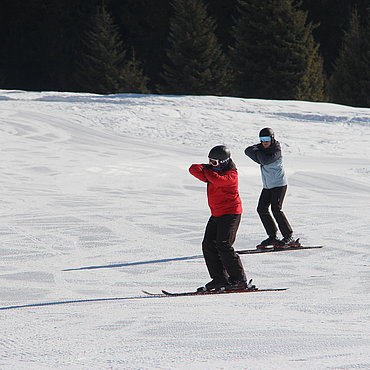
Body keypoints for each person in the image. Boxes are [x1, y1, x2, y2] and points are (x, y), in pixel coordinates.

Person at [189, 145, 252, 291]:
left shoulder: (232, 174)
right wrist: (208, 168)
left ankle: (239, 280)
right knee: (208, 245)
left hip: (231, 213)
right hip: (216, 214)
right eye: (209, 161)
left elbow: (218, 180)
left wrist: (207, 170)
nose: (211, 164)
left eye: (214, 162)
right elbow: (193, 168)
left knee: (224, 245)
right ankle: (220, 279)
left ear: (223, 162)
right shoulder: (212, 171)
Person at [244, 128, 297, 249]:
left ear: (272, 138)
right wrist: (259, 152)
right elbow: (247, 150)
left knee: (276, 209)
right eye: (262, 139)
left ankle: (289, 237)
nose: (264, 142)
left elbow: (265, 160)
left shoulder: (276, 150)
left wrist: (257, 153)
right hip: (268, 186)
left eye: (267, 139)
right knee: (261, 209)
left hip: (279, 184)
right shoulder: (263, 149)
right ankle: (272, 236)